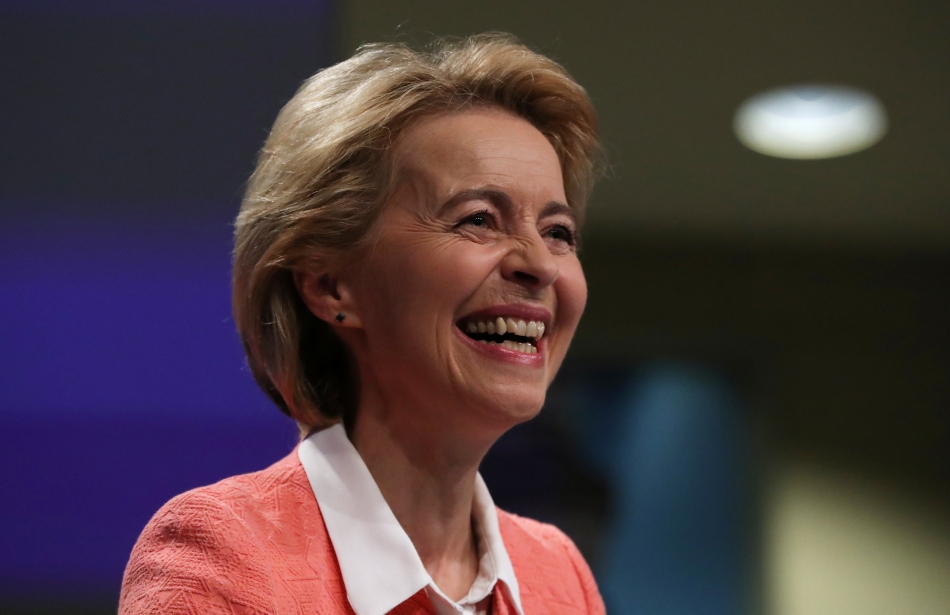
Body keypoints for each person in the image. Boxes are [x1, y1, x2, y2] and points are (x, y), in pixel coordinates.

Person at [120, 34, 604, 615]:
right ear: (331, 286)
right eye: (478, 219)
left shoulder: (558, 575)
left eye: (558, 232)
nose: (538, 264)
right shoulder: (223, 555)